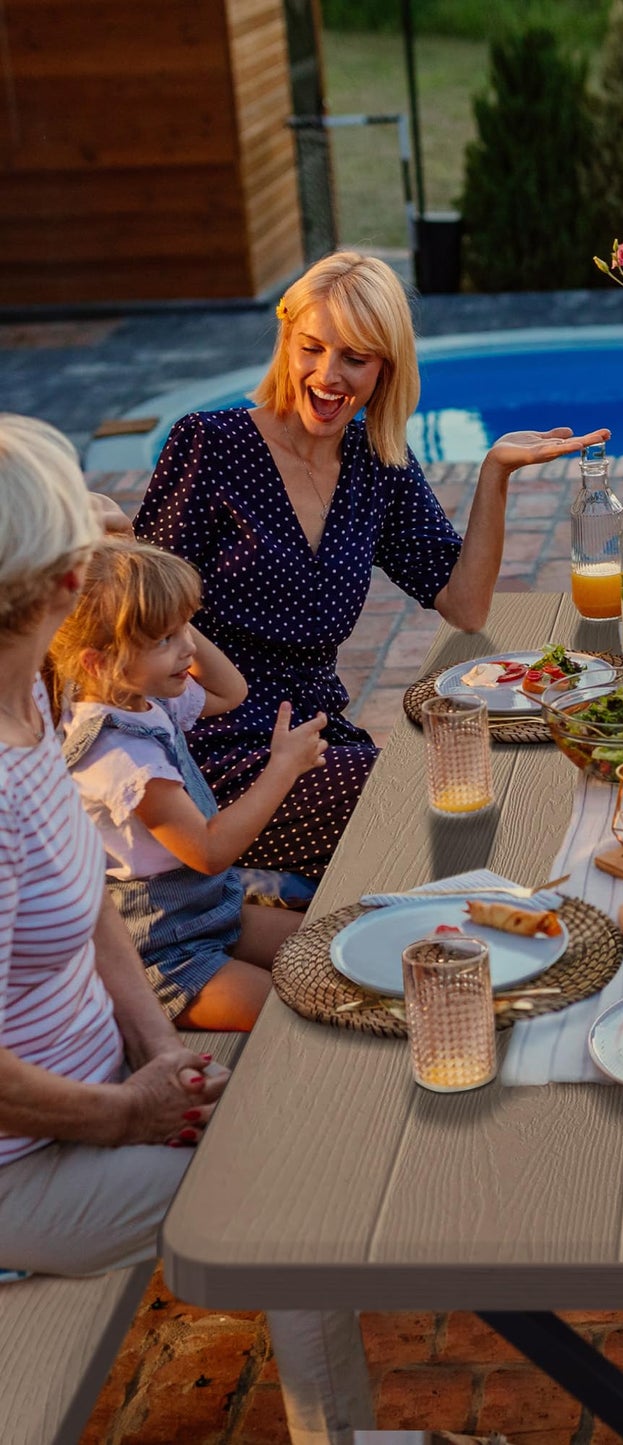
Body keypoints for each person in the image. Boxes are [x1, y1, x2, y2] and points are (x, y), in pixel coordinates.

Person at [0, 414, 375, 1445]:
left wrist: (161, 1050)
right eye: (83, 544)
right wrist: (128, 1112)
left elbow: (92, 910)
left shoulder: (32, 711)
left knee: (315, 1018)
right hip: (26, 1162)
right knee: (290, 1177)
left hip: (110, 1070)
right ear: (60, 587)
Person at [134, 250, 609, 880]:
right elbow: (142, 612)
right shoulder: (211, 445)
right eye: (312, 348)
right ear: (287, 341)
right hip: (212, 748)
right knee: (426, 809)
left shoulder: (374, 462)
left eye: (354, 358)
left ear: (386, 368)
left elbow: (463, 604)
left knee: (497, 766)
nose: (328, 376)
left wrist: (495, 474)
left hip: (319, 740)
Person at [48, 538, 329, 1030]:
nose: (189, 649)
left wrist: (166, 615)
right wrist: (282, 769)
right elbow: (208, 849)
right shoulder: (120, 757)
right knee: (296, 1017)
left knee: (332, 954)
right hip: (165, 953)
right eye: (164, 640)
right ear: (98, 663)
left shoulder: (139, 698)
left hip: (213, 908)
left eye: (184, 630)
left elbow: (230, 690)